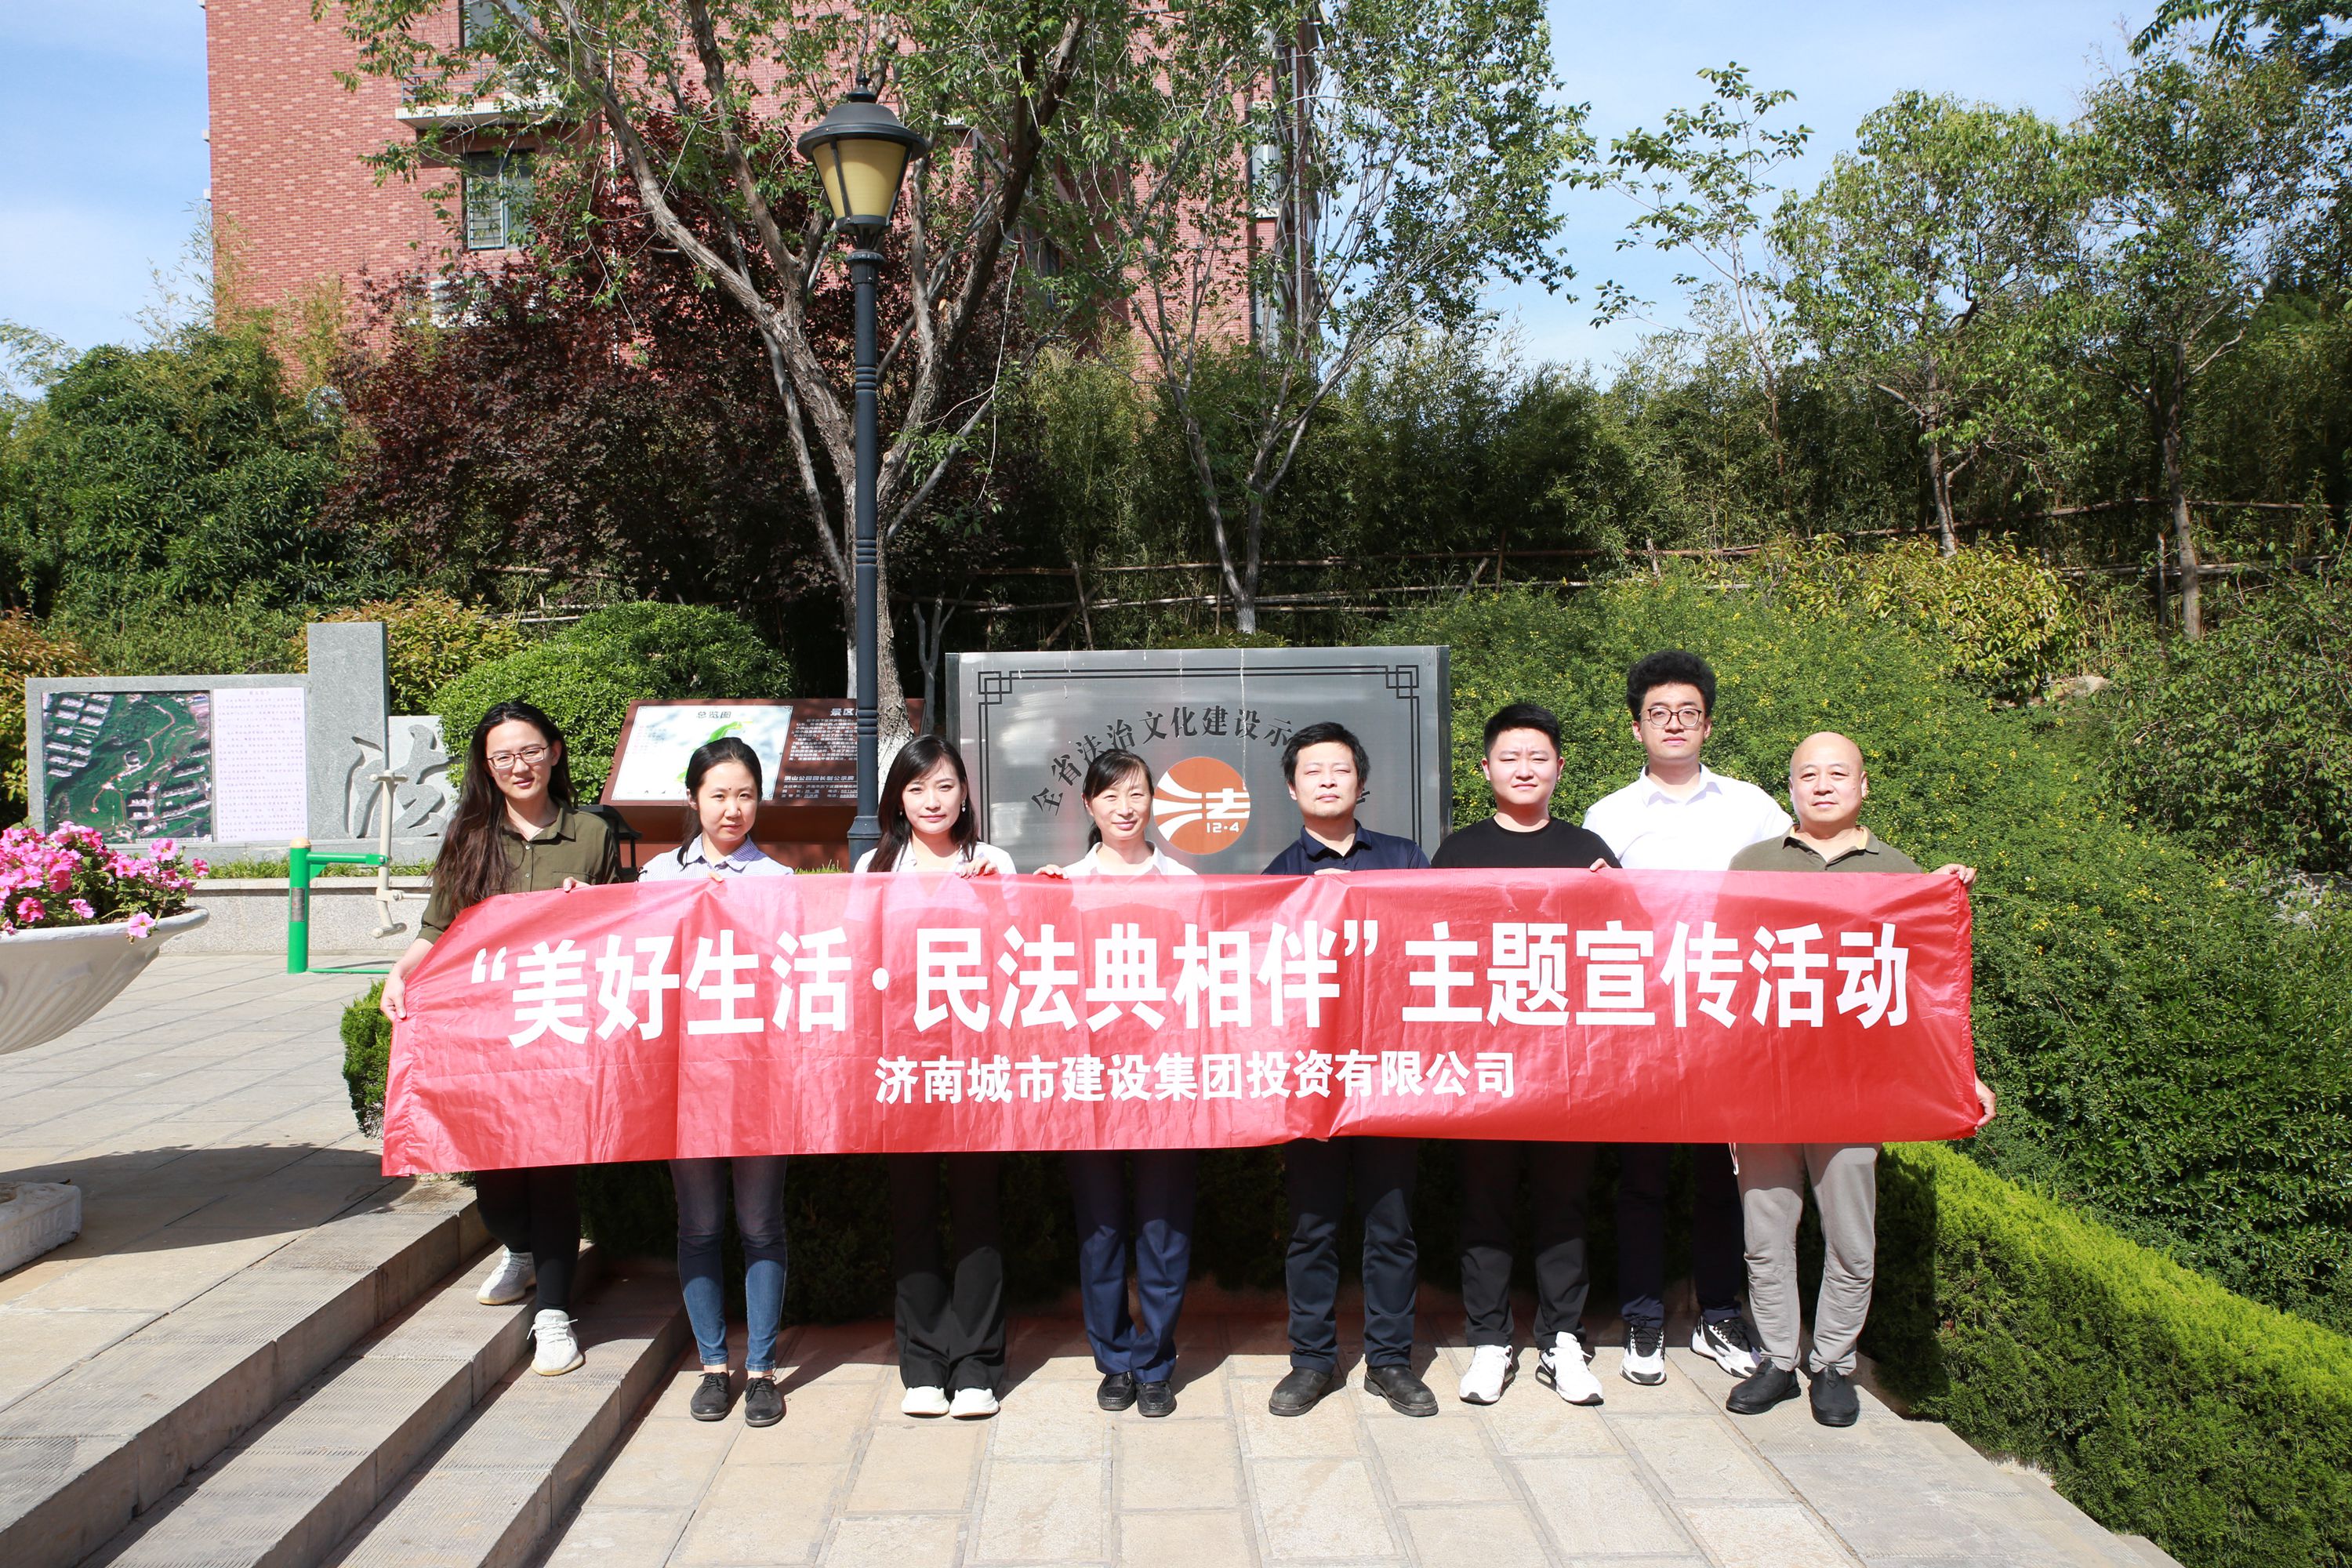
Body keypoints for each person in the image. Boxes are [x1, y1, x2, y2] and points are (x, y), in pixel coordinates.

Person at [1723, 731, 1997, 1427]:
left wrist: (1962, 1075)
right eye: (1808, 774)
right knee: (1765, 1234)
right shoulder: (1752, 864)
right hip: (1767, 1083)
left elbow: (1930, 992)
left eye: (1837, 774)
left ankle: (1834, 1365)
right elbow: (1720, 974)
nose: (1823, 785)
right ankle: (1778, 1359)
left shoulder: (1900, 872)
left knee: (1850, 1237)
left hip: (1853, 1086)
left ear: (1863, 785)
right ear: (1790, 787)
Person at [379, 700, 619, 1378]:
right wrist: (399, 975)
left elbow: (623, 924)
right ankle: (518, 1248)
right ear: (487, 767)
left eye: (530, 751)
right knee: (498, 1185)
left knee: (552, 1174)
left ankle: (554, 1315)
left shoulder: (591, 833)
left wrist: (590, 902)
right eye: (503, 757)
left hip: (560, 1032)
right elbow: (438, 930)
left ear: (555, 752)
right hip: (487, 1040)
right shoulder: (469, 837)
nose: (519, 766)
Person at [1581, 651, 1783, 1389]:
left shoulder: (1753, 808)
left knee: (1720, 1174)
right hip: (1642, 1021)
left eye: (1688, 713)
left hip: (1729, 1016)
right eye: (1659, 713)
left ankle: (1718, 1314)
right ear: (1636, 727)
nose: (1674, 724)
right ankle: (1642, 1317)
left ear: (1708, 725)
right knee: (1641, 1176)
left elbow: (1806, 888)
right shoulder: (1608, 816)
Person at [1432, 703, 1621, 1409]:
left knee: (1563, 1202)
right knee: (1484, 1202)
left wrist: (1616, 897)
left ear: (1559, 769)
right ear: (1485, 768)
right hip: (1484, 1061)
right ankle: (1490, 1339)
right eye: (1510, 758)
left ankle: (1562, 1338)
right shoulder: (1458, 853)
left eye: (1538, 757)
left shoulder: (1588, 850)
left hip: (1569, 1064)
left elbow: (1626, 952)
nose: (1524, 769)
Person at [1258, 722, 1437, 1419]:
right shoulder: (1277, 877)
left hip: (1390, 1071)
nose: (1328, 780)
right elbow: (1263, 984)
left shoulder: (1403, 858)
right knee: (1312, 1227)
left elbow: (1437, 942)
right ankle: (1312, 1361)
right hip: (1312, 1079)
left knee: (1391, 1225)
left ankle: (1390, 1361)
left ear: (1361, 782)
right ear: (1292, 787)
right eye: (1313, 771)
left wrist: (1366, 902)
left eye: (1340, 769)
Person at [855, 735, 1017, 1419]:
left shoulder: (993, 862)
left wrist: (999, 898)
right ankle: (923, 1363)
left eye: (945, 786)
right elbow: (858, 962)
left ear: (964, 793)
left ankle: (977, 1365)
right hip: (902, 1065)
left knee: (979, 1212)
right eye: (918, 788)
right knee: (913, 1210)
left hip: (976, 1063)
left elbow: (1023, 956)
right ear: (899, 797)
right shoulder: (874, 866)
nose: (932, 800)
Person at [638, 737, 794, 1427]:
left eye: (746, 795)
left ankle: (761, 1370)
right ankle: (712, 1366)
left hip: (760, 1081)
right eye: (719, 794)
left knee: (761, 1225)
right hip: (686, 1083)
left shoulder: (780, 880)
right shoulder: (656, 878)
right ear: (694, 799)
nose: (733, 809)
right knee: (699, 1225)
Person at [1038, 750, 1198, 1417]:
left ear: (1153, 802)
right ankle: (1113, 1358)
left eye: (1136, 794)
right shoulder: (1063, 885)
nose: (1125, 808)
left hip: (1164, 1079)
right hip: (1089, 1082)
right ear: (1089, 806)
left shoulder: (1185, 882)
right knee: (1100, 1228)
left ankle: (1155, 1360)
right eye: (1110, 796)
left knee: (1163, 1228)